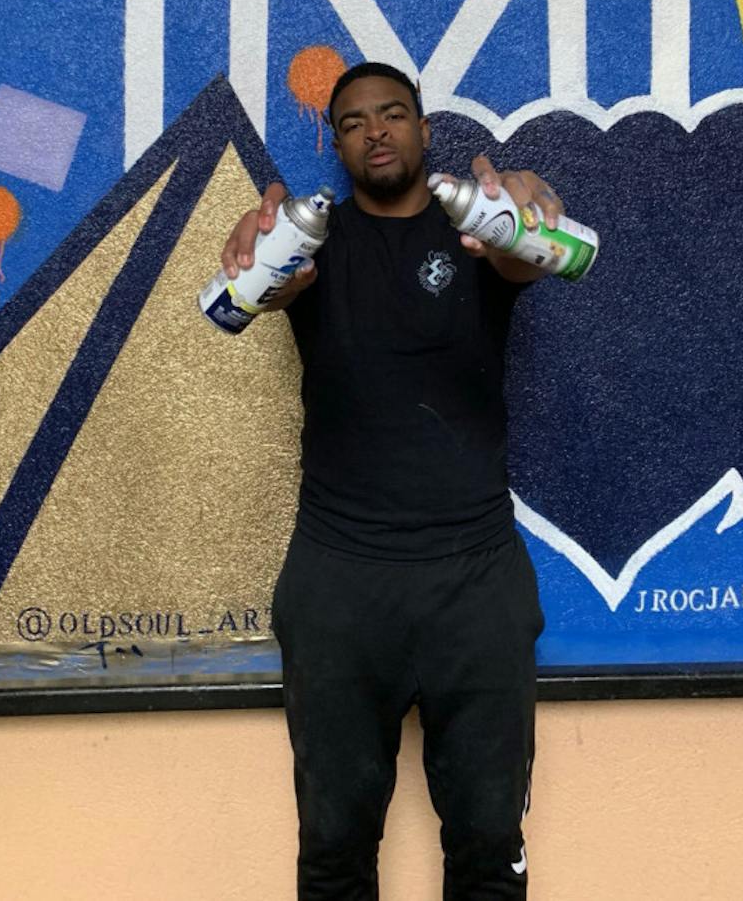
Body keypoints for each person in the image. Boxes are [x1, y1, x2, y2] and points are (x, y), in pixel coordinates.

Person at [220, 61, 565, 900]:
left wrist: (526, 211)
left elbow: (527, 263)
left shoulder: (481, 232)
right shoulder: (303, 245)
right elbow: (247, 299)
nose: (376, 130)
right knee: (334, 849)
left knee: (488, 847)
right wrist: (255, 240)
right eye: (353, 121)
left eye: (394, 113)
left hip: (475, 579)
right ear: (333, 143)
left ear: (424, 128)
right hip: (339, 579)